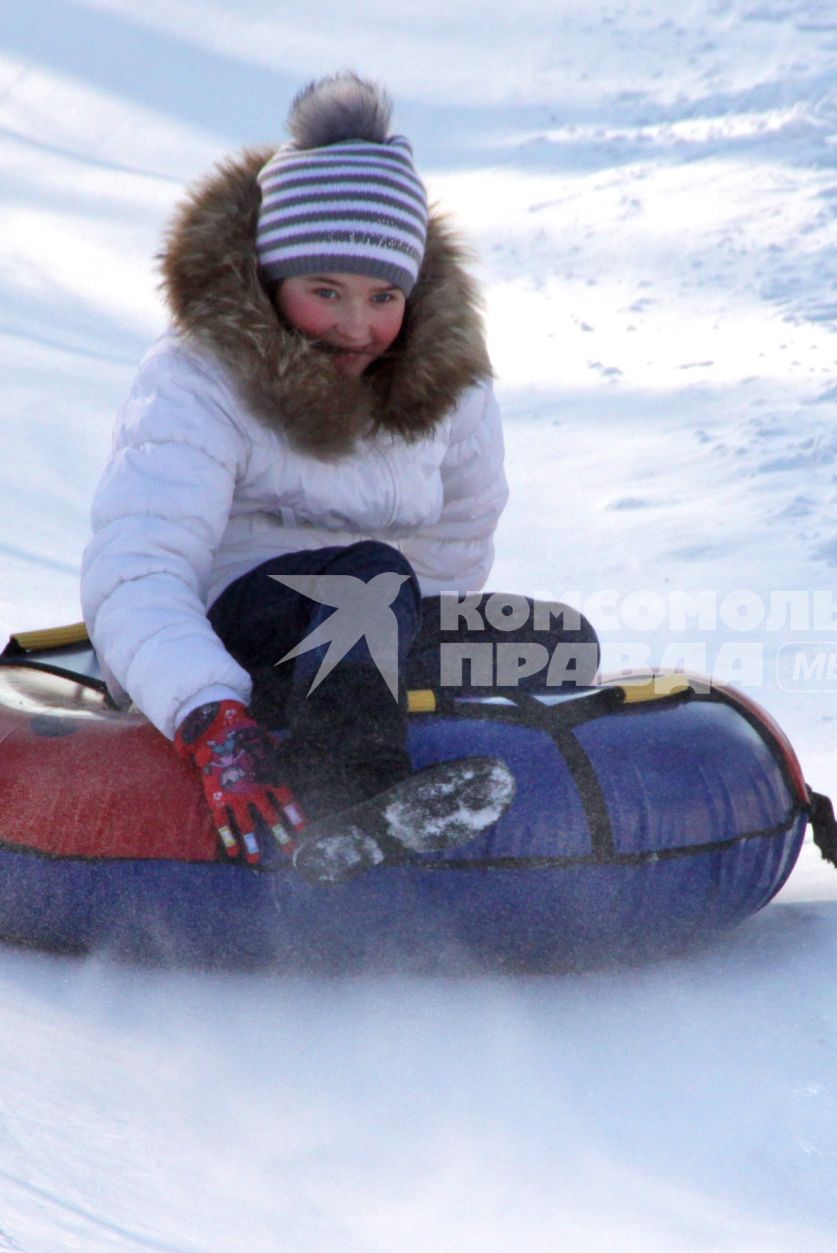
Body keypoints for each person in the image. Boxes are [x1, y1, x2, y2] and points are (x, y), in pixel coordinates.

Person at [80, 73, 598, 875]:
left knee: (549, 643)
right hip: (219, 628)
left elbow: (455, 544)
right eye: (326, 291)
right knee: (370, 579)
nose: (357, 327)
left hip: (361, 628)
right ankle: (346, 796)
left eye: (383, 295)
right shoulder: (197, 379)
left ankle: (353, 715)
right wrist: (208, 714)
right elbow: (138, 565)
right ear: (273, 282)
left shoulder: (448, 389)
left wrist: (377, 666)